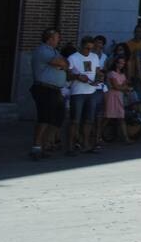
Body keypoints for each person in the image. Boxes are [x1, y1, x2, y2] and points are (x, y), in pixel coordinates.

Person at [28, 28, 68, 160]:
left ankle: (47, 144)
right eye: (57, 37)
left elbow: (66, 64)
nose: (59, 40)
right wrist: (62, 64)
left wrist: (63, 64)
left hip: (56, 90)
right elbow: (61, 63)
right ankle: (37, 147)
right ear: (50, 38)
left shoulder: (54, 51)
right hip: (44, 89)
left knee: (58, 117)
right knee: (44, 117)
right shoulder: (43, 50)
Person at [66, 35, 101, 155]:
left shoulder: (95, 56)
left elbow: (97, 71)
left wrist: (98, 78)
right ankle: (70, 147)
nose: (89, 51)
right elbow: (67, 75)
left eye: (91, 48)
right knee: (75, 120)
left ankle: (85, 144)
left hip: (91, 91)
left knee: (89, 120)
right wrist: (77, 76)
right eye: (87, 48)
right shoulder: (73, 58)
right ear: (81, 46)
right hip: (77, 92)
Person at [103, 54, 130, 143]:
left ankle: (126, 138)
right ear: (115, 63)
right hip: (111, 96)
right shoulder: (111, 73)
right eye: (120, 63)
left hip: (119, 96)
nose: (121, 65)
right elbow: (116, 86)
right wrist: (124, 87)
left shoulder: (122, 74)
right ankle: (98, 136)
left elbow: (125, 84)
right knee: (108, 117)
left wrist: (122, 87)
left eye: (123, 63)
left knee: (121, 117)